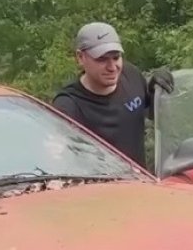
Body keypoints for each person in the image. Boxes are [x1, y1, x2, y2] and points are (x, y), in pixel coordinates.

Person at [51, 21, 174, 169]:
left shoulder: (131, 75)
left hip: (141, 184)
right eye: (102, 59)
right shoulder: (68, 105)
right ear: (80, 57)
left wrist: (157, 90)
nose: (112, 67)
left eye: (116, 57)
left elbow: (155, 116)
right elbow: (57, 159)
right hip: (102, 189)